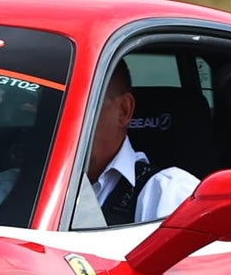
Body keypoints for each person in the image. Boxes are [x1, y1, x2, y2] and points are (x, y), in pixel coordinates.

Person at [71, 62, 199, 229]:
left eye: (78, 102)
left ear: (124, 110)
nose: (57, 118)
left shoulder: (167, 194)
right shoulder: (30, 177)